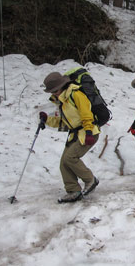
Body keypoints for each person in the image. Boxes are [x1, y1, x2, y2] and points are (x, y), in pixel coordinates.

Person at [39, 72, 100, 203]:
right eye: (52, 91)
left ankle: (90, 179)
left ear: (62, 85)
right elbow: (63, 121)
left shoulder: (76, 94)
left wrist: (89, 131)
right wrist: (47, 120)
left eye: (55, 90)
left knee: (70, 158)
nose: (54, 93)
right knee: (64, 163)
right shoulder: (62, 100)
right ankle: (73, 191)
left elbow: (86, 114)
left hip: (89, 132)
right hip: (76, 134)